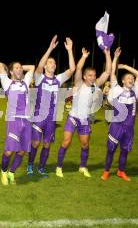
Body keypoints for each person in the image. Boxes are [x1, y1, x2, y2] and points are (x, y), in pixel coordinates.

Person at [55, 47, 111, 178]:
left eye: (94, 75)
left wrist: (107, 54)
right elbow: (78, 69)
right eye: (90, 75)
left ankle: (83, 166)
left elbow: (108, 71)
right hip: (73, 117)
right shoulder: (79, 83)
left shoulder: (96, 86)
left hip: (85, 120)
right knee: (66, 142)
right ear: (85, 77)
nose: (93, 77)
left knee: (85, 144)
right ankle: (58, 167)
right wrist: (84, 57)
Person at [27, 35, 75, 177]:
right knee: (35, 143)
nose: (53, 64)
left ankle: (41, 168)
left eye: (54, 63)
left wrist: (70, 50)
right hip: (38, 116)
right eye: (50, 62)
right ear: (46, 66)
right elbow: (39, 66)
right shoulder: (39, 77)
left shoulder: (58, 79)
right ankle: (30, 165)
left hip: (52, 118)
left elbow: (72, 69)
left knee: (47, 144)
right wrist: (50, 49)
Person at [101, 47, 138, 181]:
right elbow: (112, 73)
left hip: (129, 127)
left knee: (125, 150)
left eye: (132, 78)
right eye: (128, 78)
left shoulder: (135, 91)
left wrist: (125, 66)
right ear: (123, 81)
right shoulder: (117, 89)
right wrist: (115, 58)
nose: (131, 79)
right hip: (116, 125)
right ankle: (106, 171)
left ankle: (121, 171)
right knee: (111, 149)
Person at [0, 61, 35, 185]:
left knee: (23, 150)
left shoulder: (26, 82)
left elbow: (32, 67)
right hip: (14, 120)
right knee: (9, 150)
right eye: (17, 68)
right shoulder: (7, 82)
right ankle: (3, 172)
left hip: (27, 120)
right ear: (11, 72)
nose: (20, 70)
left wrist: (20, 68)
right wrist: (10, 68)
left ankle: (11, 172)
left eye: (21, 69)